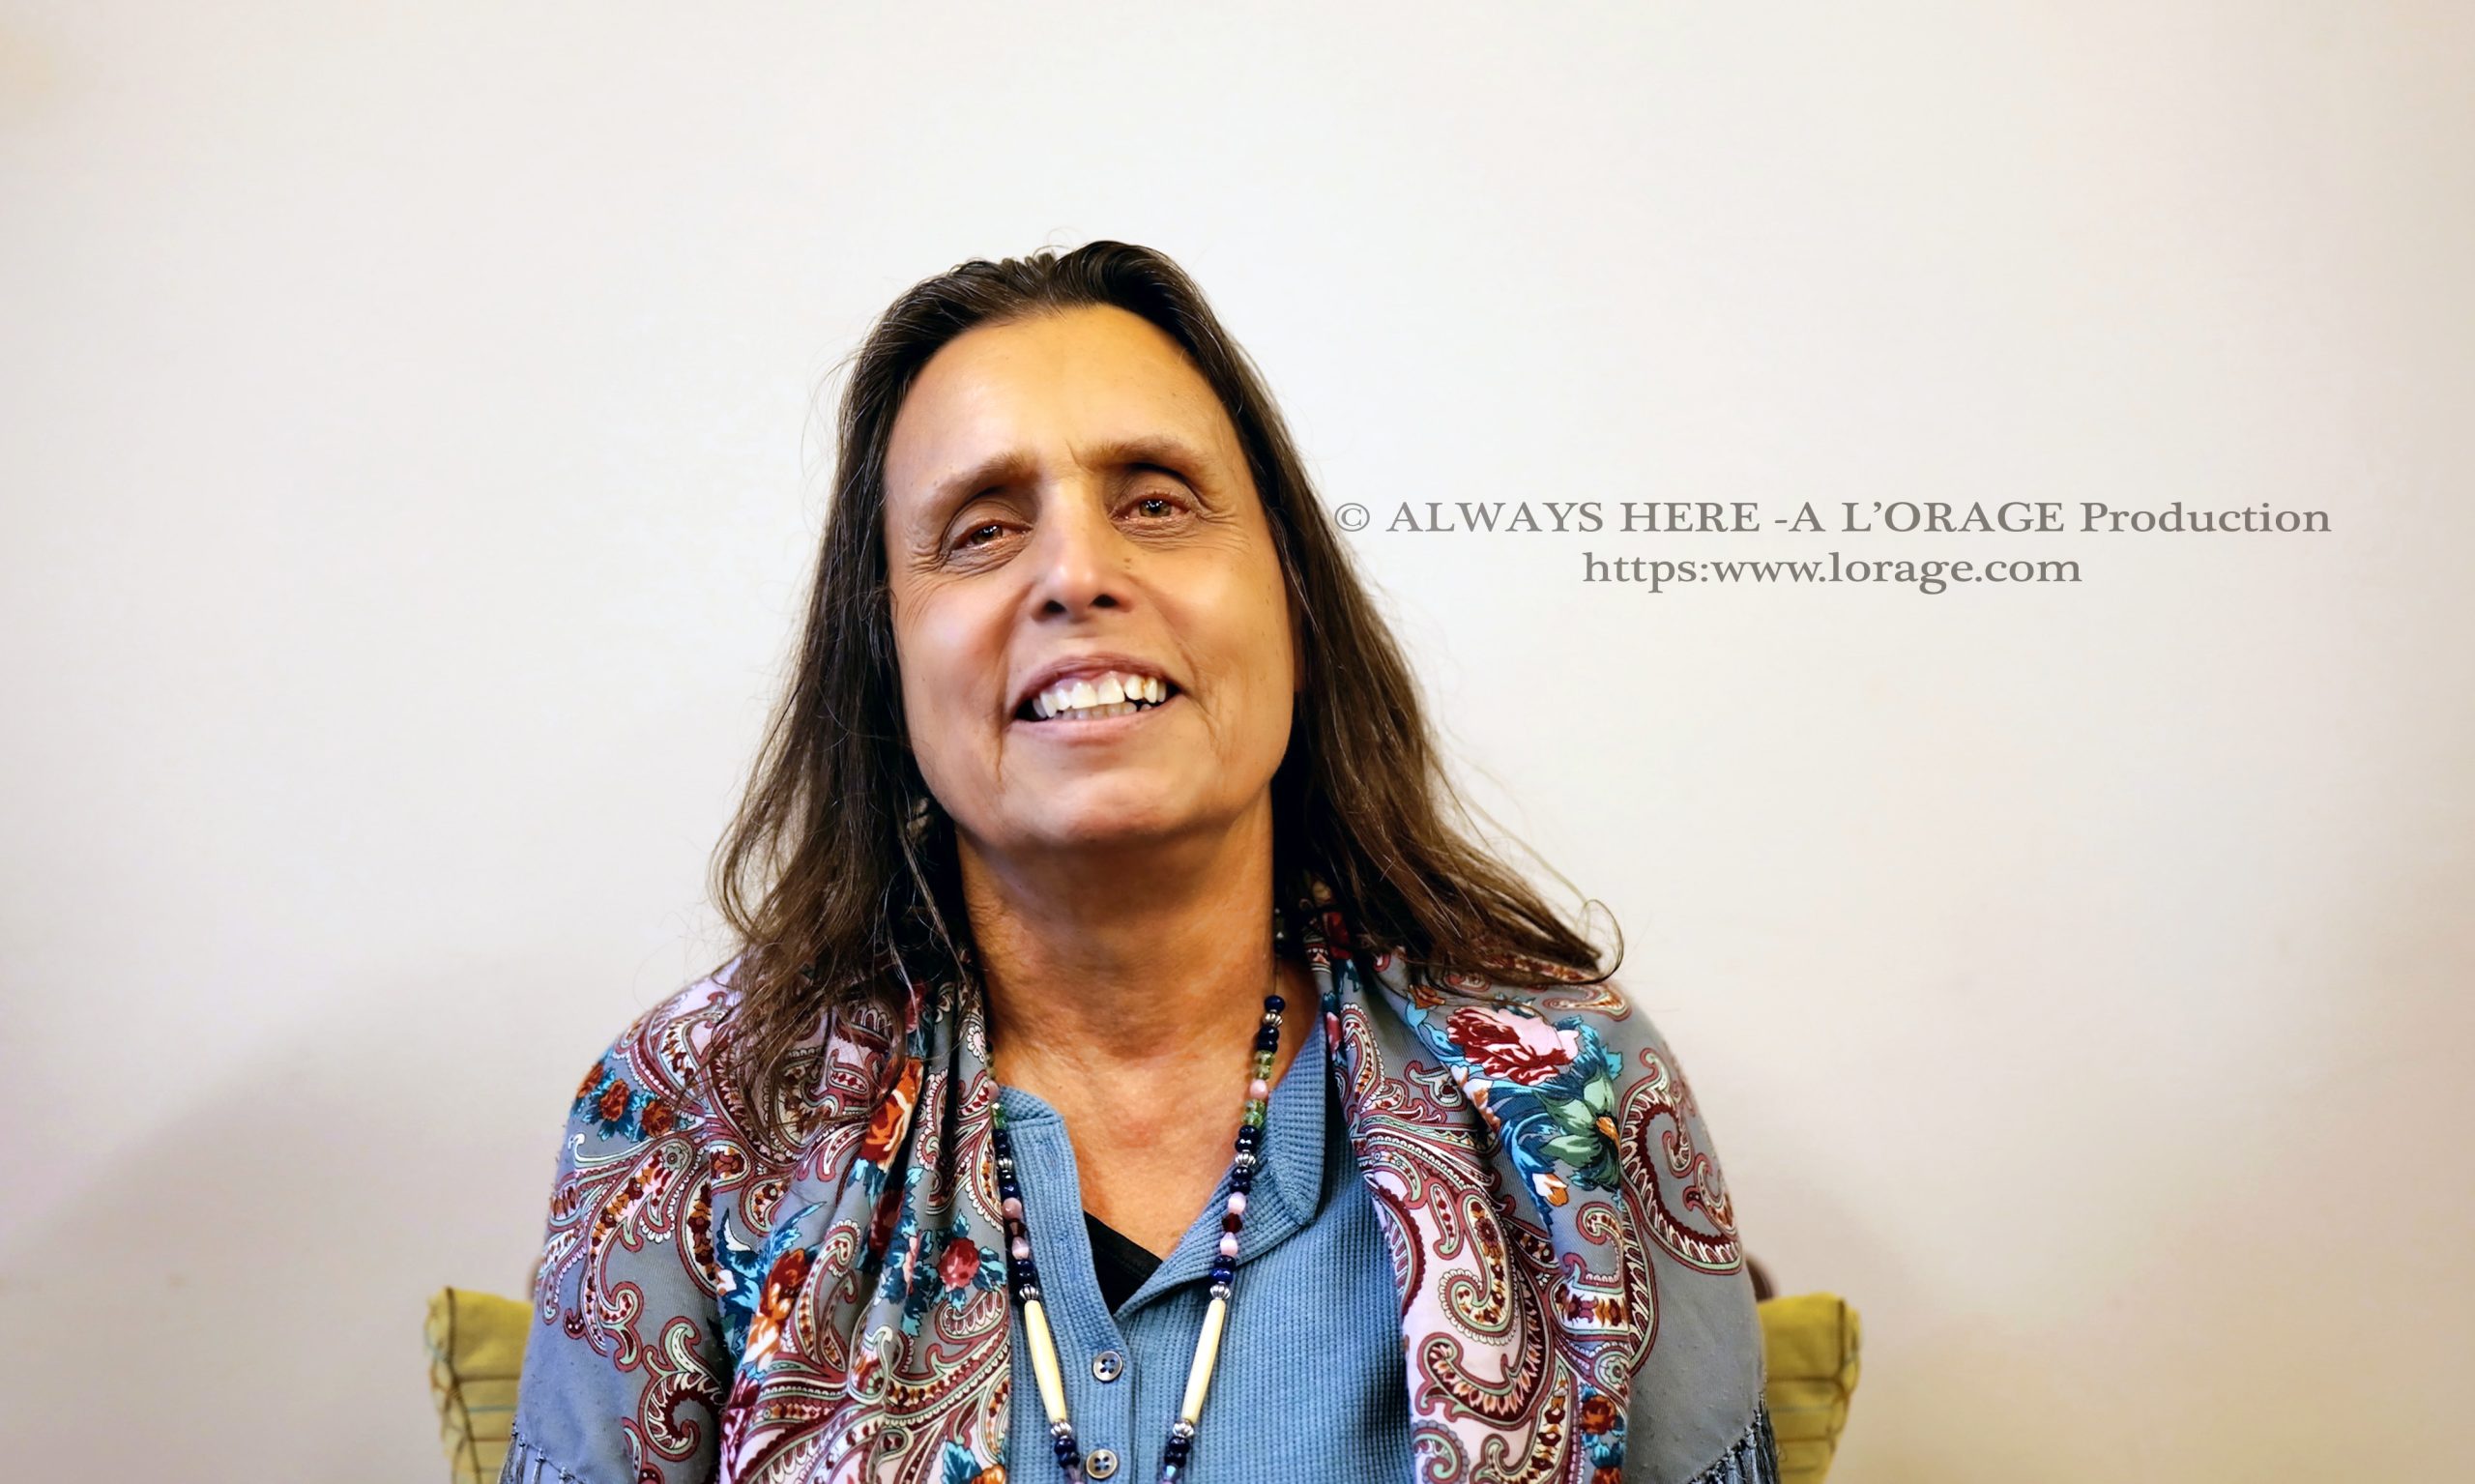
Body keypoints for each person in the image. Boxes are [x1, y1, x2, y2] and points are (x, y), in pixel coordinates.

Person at [501, 241, 1777, 1484]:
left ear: (1294, 603)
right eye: (982, 530)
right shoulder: (693, 1118)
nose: (1077, 574)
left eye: (1156, 504)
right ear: (885, 661)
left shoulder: (1568, 1086)